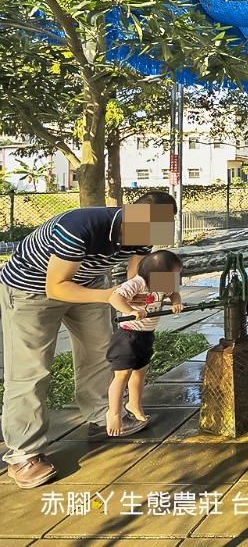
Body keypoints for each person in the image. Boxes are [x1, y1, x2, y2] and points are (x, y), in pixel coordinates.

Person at [0, 191, 176, 489]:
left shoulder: (144, 229)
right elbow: (56, 287)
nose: (155, 235)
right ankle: (23, 454)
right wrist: (110, 296)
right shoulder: (79, 226)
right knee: (31, 371)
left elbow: (139, 270)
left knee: (100, 353)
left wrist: (156, 295)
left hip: (90, 283)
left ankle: (101, 418)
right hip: (31, 291)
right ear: (131, 213)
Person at [106, 250, 184, 435]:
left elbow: (174, 293)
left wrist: (176, 302)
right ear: (157, 274)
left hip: (146, 335)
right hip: (128, 335)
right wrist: (130, 310)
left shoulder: (163, 283)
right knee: (122, 374)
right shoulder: (138, 283)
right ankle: (114, 413)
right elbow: (114, 297)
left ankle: (134, 404)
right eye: (174, 274)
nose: (176, 279)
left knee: (139, 374)